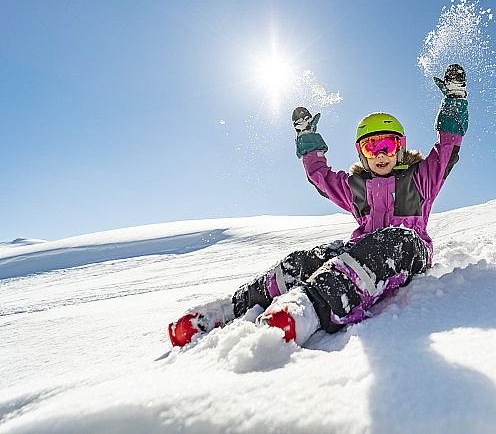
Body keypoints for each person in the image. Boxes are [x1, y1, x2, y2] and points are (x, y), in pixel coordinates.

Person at [168, 64, 469, 347]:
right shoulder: (356, 188)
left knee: (393, 238)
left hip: (408, 252)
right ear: (361, 153)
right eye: (371, 146)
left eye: (387, 145)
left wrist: (455, 101)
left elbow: (447, 148)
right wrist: (307, 138)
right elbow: (320, 176)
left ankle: (308, 308)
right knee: (310, 258)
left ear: (400, 148)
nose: (380, 154)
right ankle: (230, 310)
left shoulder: (421, 178)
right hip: (359, 255)